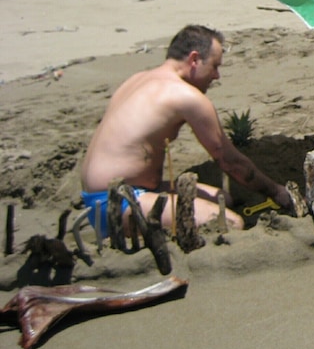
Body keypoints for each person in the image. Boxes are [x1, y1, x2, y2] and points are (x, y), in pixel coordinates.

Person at [80, 24, 294, 234]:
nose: (216, 76)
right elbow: (230, 162)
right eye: (214, 66)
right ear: (194, 59)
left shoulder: (136, 80)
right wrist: (275, 191)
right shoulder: (185, 96)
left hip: (98, 195)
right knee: (229, 222)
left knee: (223, 198)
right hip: (115, 202)